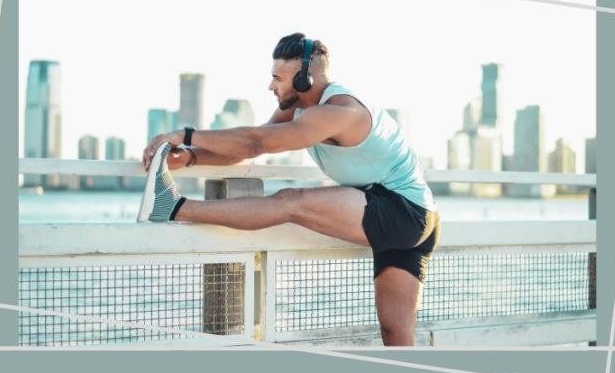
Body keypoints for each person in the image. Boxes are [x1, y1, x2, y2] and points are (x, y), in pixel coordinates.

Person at [139, 33, 440, 346]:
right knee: (395, 333)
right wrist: (190, 157)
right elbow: (251, 146)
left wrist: (183, 134)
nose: (271, 86)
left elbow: (257, 141)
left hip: (403, 210)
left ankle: (172, 206)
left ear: (305, 79)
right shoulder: (299, 108)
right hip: (413, 215)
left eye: (277, 78)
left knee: (291, 201)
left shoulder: (339, 112)